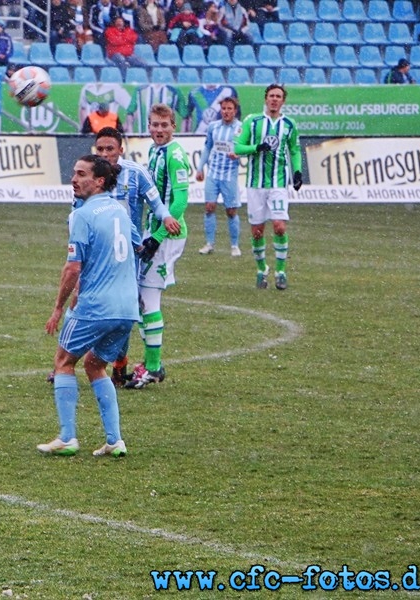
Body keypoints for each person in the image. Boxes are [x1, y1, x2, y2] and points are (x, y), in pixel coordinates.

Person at [37, 155, 139, 458]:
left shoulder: (83, 215)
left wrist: (58, 308)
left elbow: (72, 268)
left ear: (99, 181)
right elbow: (135, 245)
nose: (74, 178)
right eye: (73, 172)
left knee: (63, 361)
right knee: (95, 365)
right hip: (127, 308)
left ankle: (68, 437)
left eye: (82, 174)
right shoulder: (120, 210)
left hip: (96, 306)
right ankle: (114, 440)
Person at [91, 127, 179, 386]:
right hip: (97, 252)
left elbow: (156, 203)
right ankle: (65, 362)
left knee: (125, 309)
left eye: (110, 149)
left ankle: (118, 365)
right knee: (86, 302)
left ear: (121, 149)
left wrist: (167, 217)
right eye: (101, 149)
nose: (105, 154)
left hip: (127, 254)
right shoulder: (89, 173)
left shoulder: (136, 173)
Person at [125, 103, 190, 389]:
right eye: (154, 125)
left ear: (173, 127)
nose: (159, 130)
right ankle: (152, 363)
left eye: (164, 125)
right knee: (141, 299)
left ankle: (152, 368)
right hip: (154, 232)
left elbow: (180, 201)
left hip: (167, 237)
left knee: (148, 298)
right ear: (149, 126)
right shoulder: (154, 152)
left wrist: (158, 237)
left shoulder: (175, 155)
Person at [233, 83, 301, 290]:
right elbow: (237, 147)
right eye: (271, 95)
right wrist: (256, 147)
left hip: (278, 183)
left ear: (283, 101)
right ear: (265, 98)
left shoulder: (289, 124)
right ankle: (262, 269)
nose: (274, 99)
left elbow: (295, 150)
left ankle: (281, 271)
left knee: (279, 226)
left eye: (278, 96)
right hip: (255, 184)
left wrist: (297, 172)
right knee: (257, 232)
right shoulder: (252, 122)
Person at [195, 96, 242, 257]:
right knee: (209, 207)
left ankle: (235, 245)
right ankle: (209, 244)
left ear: (235, 111)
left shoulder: (241, 129)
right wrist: (200, 168)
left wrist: (239, 154)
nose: (226, 111)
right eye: (223, 108)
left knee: (231, 211)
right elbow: (207, 147)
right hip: (213, 174)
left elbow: (246, 149)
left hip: (230, 175)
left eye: (229, 109)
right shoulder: (213, 127)